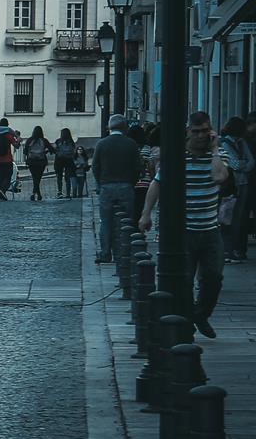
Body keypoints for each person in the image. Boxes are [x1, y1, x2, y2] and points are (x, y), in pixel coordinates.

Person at [139, 111, 230, 338]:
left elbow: (220, 177)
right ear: (188, 131)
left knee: (214, 278)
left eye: (204, 131)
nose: (200, 136)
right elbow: (156, 185)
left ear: (211, 132)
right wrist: (145, 214)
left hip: (210, 229)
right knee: (184, 280)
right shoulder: (177, 157)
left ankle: (200, 314)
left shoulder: (218, 156)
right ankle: (188, 322)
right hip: (184, 230)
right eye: (195, 131)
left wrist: (215, 149)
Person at [93, 114, 141, 263]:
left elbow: (95, 166)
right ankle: (124, 252)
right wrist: (132, 182)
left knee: (106, 222)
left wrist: (99, 184)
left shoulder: (102, 144)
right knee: (127, 221)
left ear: (109, 127)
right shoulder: (131, 144)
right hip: (126, 186)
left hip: (107, 187)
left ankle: (106, 253)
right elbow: (137, 167)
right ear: (124, 127)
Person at [220, 116, 252, 262]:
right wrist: (243, 164)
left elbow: (252, 161)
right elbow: (234, 164)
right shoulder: (224, 143)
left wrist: (242, 164)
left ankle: (234, 248)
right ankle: (229, 249)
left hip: (243, 183)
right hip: (231, 186)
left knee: (239, 218)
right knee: (228, 217)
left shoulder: (241, 142)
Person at [0, 117, 19, 199]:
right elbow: (16, 145)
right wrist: (18, 140)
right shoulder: (8, 135)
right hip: (7, 159)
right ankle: (2, 191)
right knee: (8, 177)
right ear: (7, 124)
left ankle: (0, 194)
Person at [24, 125, 51, 201]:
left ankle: (35, 194)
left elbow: (25, 151)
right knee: (38, 178)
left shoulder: (29, 140)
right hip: (41, 161)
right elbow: (51, 149)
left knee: (34, 177)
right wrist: (45, 152)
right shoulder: (44, 140)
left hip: (31, 161)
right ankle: (37, 194)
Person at [53, 127, 78, 198]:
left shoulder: (58, 141)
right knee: (67, 177)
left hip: (59, 160)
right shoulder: (71, 142)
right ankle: (68, 193)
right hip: (69, 160)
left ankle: (60, 192)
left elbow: (54, 149)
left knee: (59, 177)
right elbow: (73, 152)